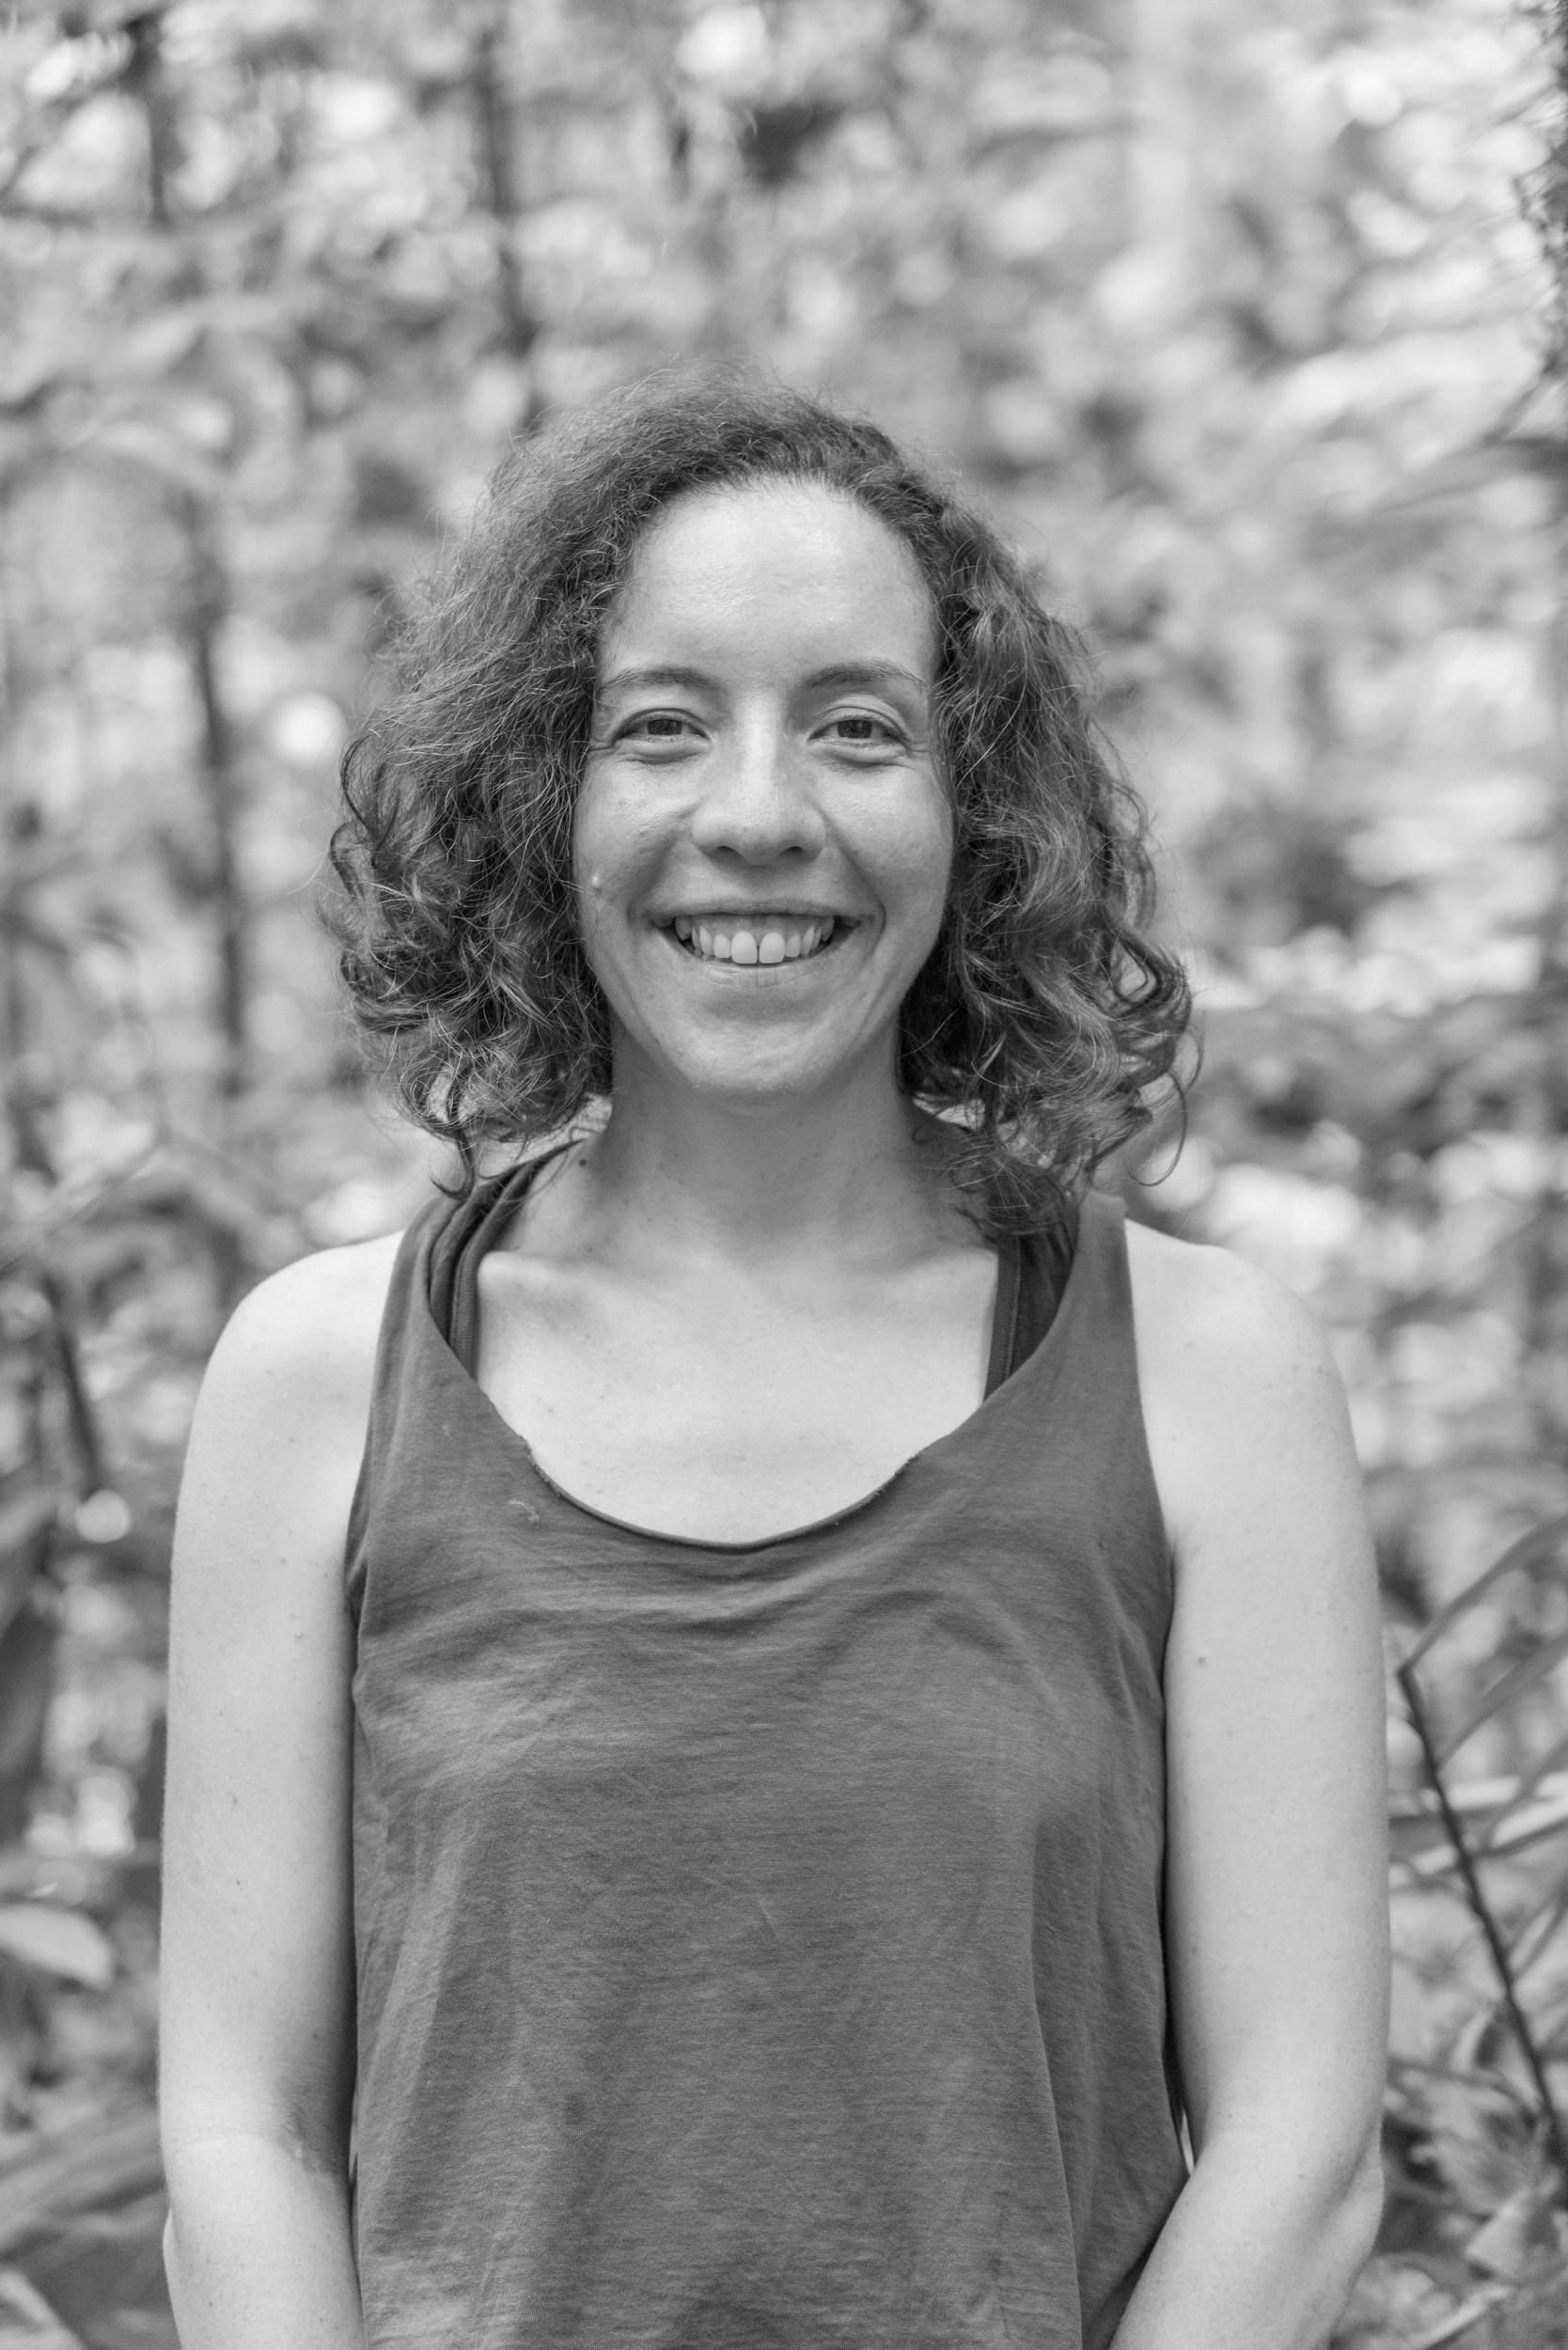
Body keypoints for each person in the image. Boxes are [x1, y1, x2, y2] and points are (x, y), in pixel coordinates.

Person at [157, 377, 1389, 2350]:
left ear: (973, 811)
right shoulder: (317, 1379)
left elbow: (1300, 2150)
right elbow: (247, 2135)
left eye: (857, 726)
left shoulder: (1205, 1374)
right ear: (540, 803)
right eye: (659, 724)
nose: (756, 814)